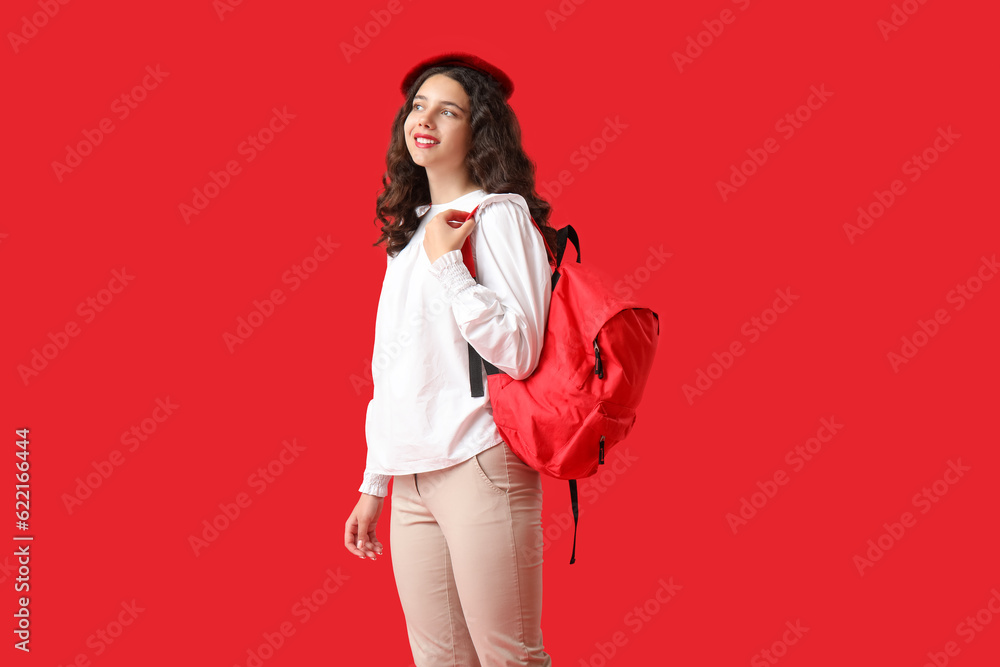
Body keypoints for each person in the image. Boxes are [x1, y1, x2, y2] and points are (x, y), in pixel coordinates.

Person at [343, 52, 558, 666]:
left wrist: (450, 266)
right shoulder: (410, 232)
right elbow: (395, 371)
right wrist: (374, 482)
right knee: (439, 662)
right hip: (410, 478)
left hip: (479, 463)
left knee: (509, 657)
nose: (425, 119)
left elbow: (519, 352)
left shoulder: (499, 217)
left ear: (477, 129)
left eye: (448, 110)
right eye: (418, 106)